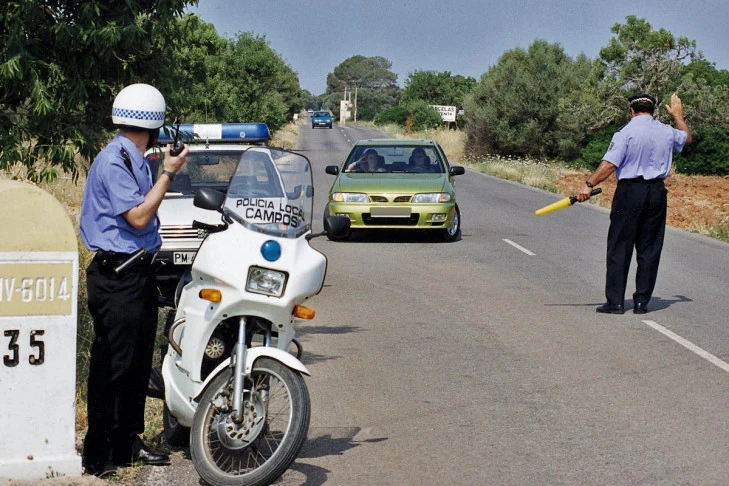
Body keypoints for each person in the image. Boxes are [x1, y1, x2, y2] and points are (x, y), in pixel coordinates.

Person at [79, 83, 188, 476]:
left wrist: (159, 171)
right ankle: (99, 455)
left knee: (138, 362)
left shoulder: (134, 159)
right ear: (155, 124)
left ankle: (128, 444)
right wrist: (169, 176)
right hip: (116, 274)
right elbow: (139, 217)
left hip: (137, 270)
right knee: (113, 366)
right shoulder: (114, 162)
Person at [575, 93, 691, 315]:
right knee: (650, 248)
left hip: (630, 192)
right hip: (657, 192)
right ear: (653, 111)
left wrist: (588, 184)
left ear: (631, 110)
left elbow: (610, 164)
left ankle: (616, 302)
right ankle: (641, 302)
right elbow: (686, 138)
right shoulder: (666, 131)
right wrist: (678, 117)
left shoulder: (625, 132)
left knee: (620, 245)